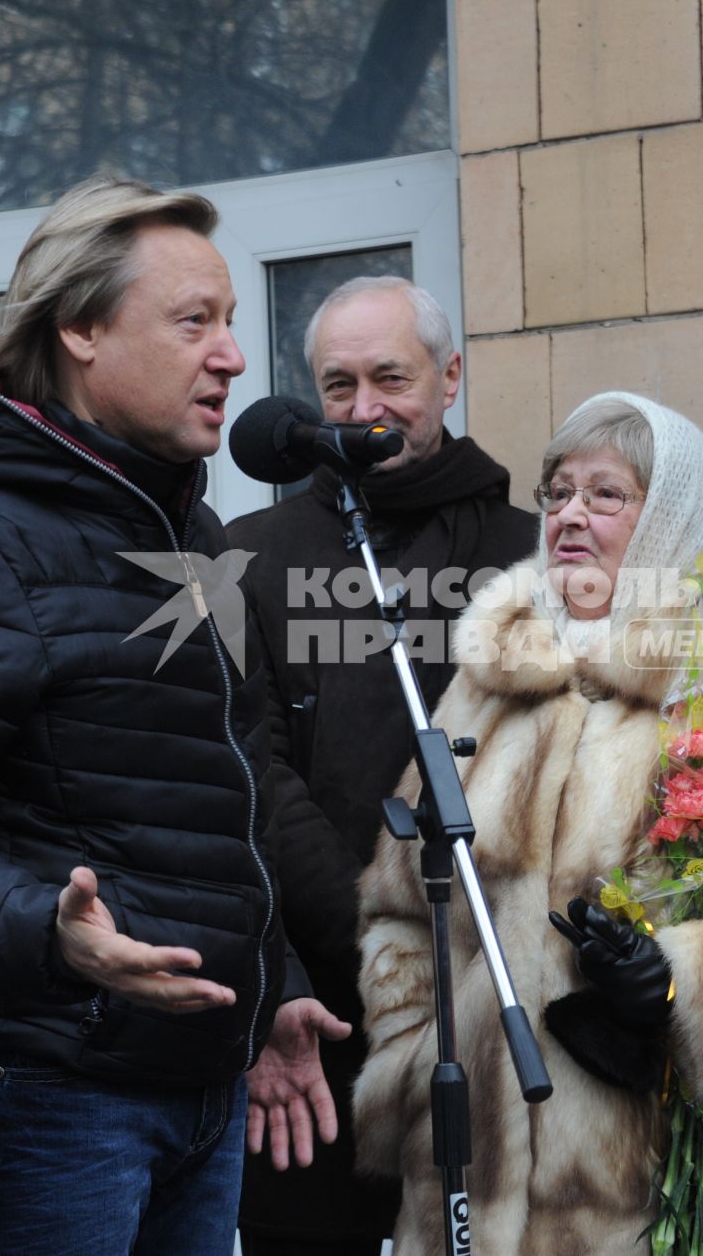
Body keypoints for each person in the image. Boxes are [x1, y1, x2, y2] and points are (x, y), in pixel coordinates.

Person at [0, 175, 342, 1256]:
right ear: (81, 331)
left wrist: (269, 990)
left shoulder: (185, 530)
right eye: (195, 321)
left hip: (198, 1073)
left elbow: (225, 795)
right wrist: (45, 930)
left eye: (231, 321)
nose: (234, 356)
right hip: (45, 1087)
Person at [350, 392, 703, 1254]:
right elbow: (399, 903)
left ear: (673, 518)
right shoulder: (490, 684)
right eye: (557, 492)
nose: (570, 515)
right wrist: (416, 1063)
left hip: (682, 1194)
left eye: (606, 495)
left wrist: (696, 988)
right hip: (476, 1187)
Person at [227, 277, 537, 1255]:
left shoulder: (533, 553)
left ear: (450, 377)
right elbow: (251, 772)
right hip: (319, 1009)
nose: (365, 410)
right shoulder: (247, 555)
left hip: (504, 999)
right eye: (340, 384)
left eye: (391, 378)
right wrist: (363, 943)